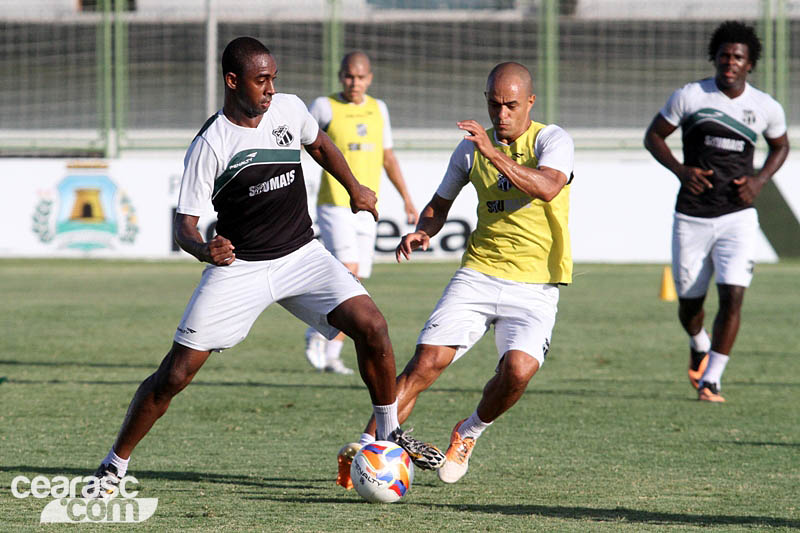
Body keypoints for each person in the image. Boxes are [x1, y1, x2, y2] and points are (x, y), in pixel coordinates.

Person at [88, 36, 442, 495]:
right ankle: (113, 465)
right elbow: (185, 227)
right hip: (241, 267)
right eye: (261, 80)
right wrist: (203, 249)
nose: (271, 88)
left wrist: (354, 187)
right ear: (233, 81)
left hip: (302, 255)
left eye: (274, 78)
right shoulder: (210, 143)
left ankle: (389, 431)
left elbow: (321, 146)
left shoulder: (289, 110)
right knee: (174, 375)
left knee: (372, 325)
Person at [335, 61, 575, 488]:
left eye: (511, 106)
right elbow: (439, 204)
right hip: (479, 274)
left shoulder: (552, 139)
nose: (501, 114)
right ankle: (367, 448)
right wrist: (423, 231)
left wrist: (493, 153)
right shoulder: (469, 150)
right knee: (424, 364)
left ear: (530, 103)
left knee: (518, 371)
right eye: (494, 104)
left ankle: (468, 433)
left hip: (537, 285)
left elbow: (547, 187)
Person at [644, 21, 789, 403]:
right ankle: (698, 341)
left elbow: (781, 146)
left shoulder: (765, 107)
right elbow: (653, 136)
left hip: (737, 216)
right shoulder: (690, 96)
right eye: (724, 55)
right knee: (690, 304)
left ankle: (712, 378)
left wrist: (759, 182)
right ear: (715, 57)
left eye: (738, 57)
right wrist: (680, 170)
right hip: (691, 215)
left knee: (733, 295)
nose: (730, 62)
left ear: (750, 63)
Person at [304, 51, 419, 375]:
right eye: (349, 76)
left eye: (361, 77)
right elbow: (300, 147)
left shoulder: (378, 108)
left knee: (356, 282)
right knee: (348, 270)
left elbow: (388, 157)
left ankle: (332, 353)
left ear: (370, 78)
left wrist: (407, 199)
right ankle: (315, 332)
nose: (354, 83)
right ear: (341, 76)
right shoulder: (324, 106)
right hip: (335, 203)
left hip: (368, 205)